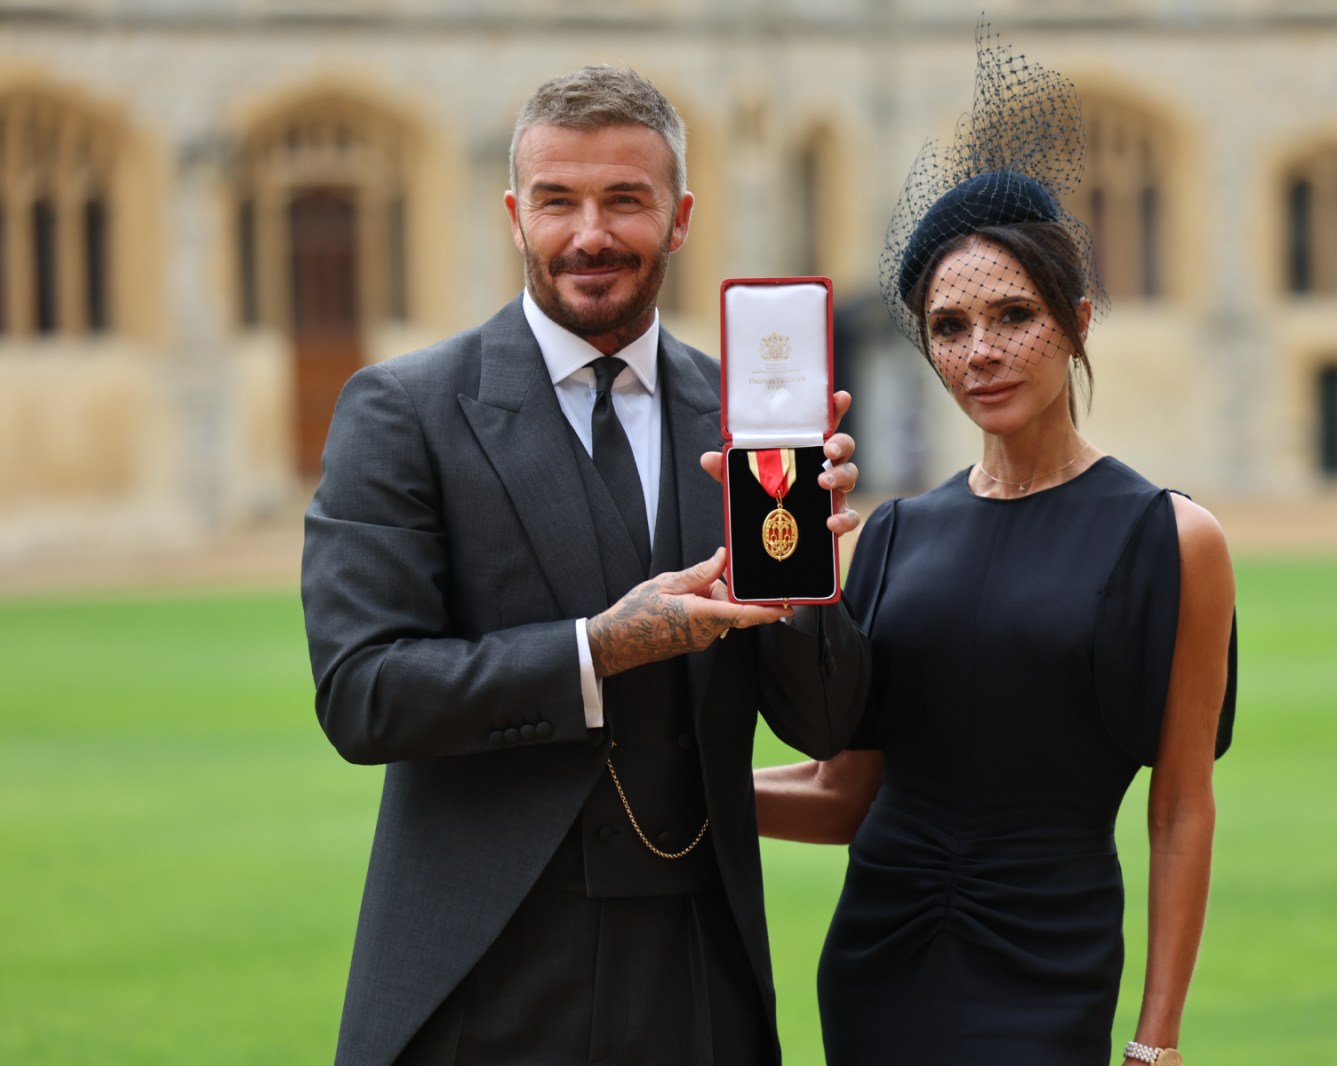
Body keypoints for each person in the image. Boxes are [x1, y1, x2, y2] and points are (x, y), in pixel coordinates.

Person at [301, 64, 870, 1066]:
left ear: (679, 218)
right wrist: (596, 650)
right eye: (558, 200)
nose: (590, 234)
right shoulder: (404, 411)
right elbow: (363, 694)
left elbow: (823, 724)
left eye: (625, 200)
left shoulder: (743, 418)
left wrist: (806, 559)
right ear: (515, 216)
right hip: (483, 973)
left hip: (698, 975)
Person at [754, 28, 1237, 1066]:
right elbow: (843, 795)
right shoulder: (893, 534)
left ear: (1078, 321)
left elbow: (1180, 807)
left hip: (1050, 965)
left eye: (1014, 315)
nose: (981, 351)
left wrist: (1157, 1040)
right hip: (879, 962)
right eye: (949, 325)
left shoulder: (1172, 540)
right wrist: (661, 780)